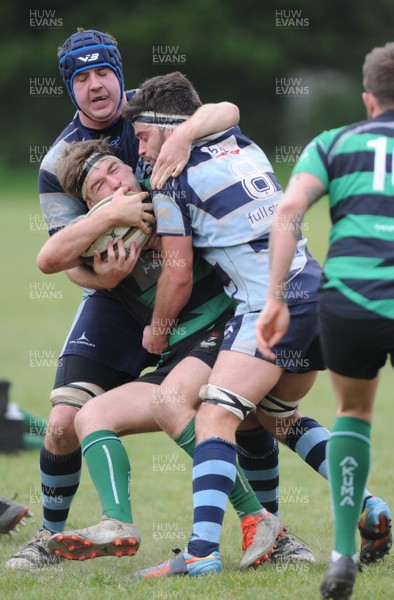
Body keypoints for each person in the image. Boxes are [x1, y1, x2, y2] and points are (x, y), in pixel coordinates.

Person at [116, 71, 391, 579]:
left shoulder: (173, 180)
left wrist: (156, 331)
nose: (144, 150)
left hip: (272, 303)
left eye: (146, 136)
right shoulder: (235, 140)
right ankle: (369, 505)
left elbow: (176, 279)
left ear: (169, 126)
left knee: (214, 418)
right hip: (316, 290)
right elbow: (226, 108)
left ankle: (200, 552)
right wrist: (179, 133)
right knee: (274, 416)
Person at [5, 27, 241, 570]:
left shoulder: (152, 113)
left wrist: (183, 136)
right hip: (116, 300)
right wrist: (104, 265)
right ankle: (50, 537)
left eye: (102, 73)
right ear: (70, 88)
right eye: (81, 78)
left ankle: (269, 527)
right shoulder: (58, 162)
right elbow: (64, 261)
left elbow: (227, 110)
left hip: (193, 280)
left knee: (236, 409)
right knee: (63, 423)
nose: (95, 86)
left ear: (119, 72)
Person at [41, 137, 286, 568]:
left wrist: (155, 326)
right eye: (98, 186)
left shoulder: (166, 190)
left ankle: (260, 519)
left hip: (224, 332)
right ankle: (118, 524)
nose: (113, 182)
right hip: (180, 354)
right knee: (87, 416)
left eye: (115, 169)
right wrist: (102, 247)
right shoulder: (100, 233)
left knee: (266, 417)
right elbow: (48, 259)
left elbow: (179, 272)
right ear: (90, 206)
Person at [255, 42, 394, 599]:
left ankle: (341, 557)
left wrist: (273, 297)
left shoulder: (331, 143)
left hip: (349, 301)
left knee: (353, 414)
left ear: (367, 100)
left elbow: (289, 210)